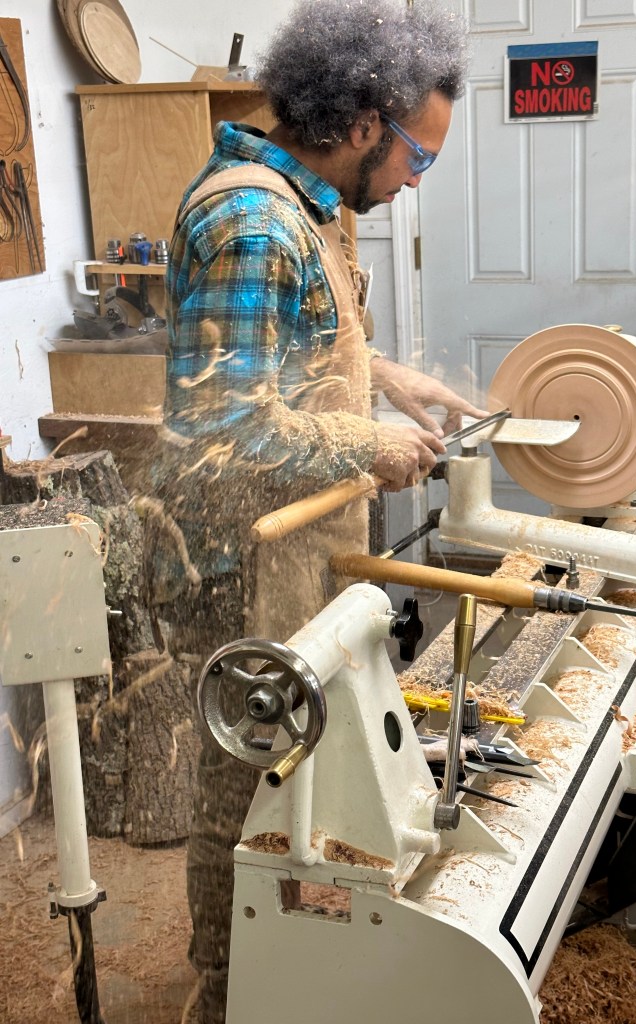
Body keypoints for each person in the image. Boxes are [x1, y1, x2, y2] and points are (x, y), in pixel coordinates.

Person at [151, 1, 480, 1019]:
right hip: (241, 563)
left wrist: (388, 378)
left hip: (296, 545)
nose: (415, 181)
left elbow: (299, 343)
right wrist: (368, 444)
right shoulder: (254, 223)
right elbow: (225, 425)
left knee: (295, 782)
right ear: (365, 123)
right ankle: (229, 992)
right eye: (419, 157)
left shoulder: (308, 206)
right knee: (244, 795)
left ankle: (298, 973)